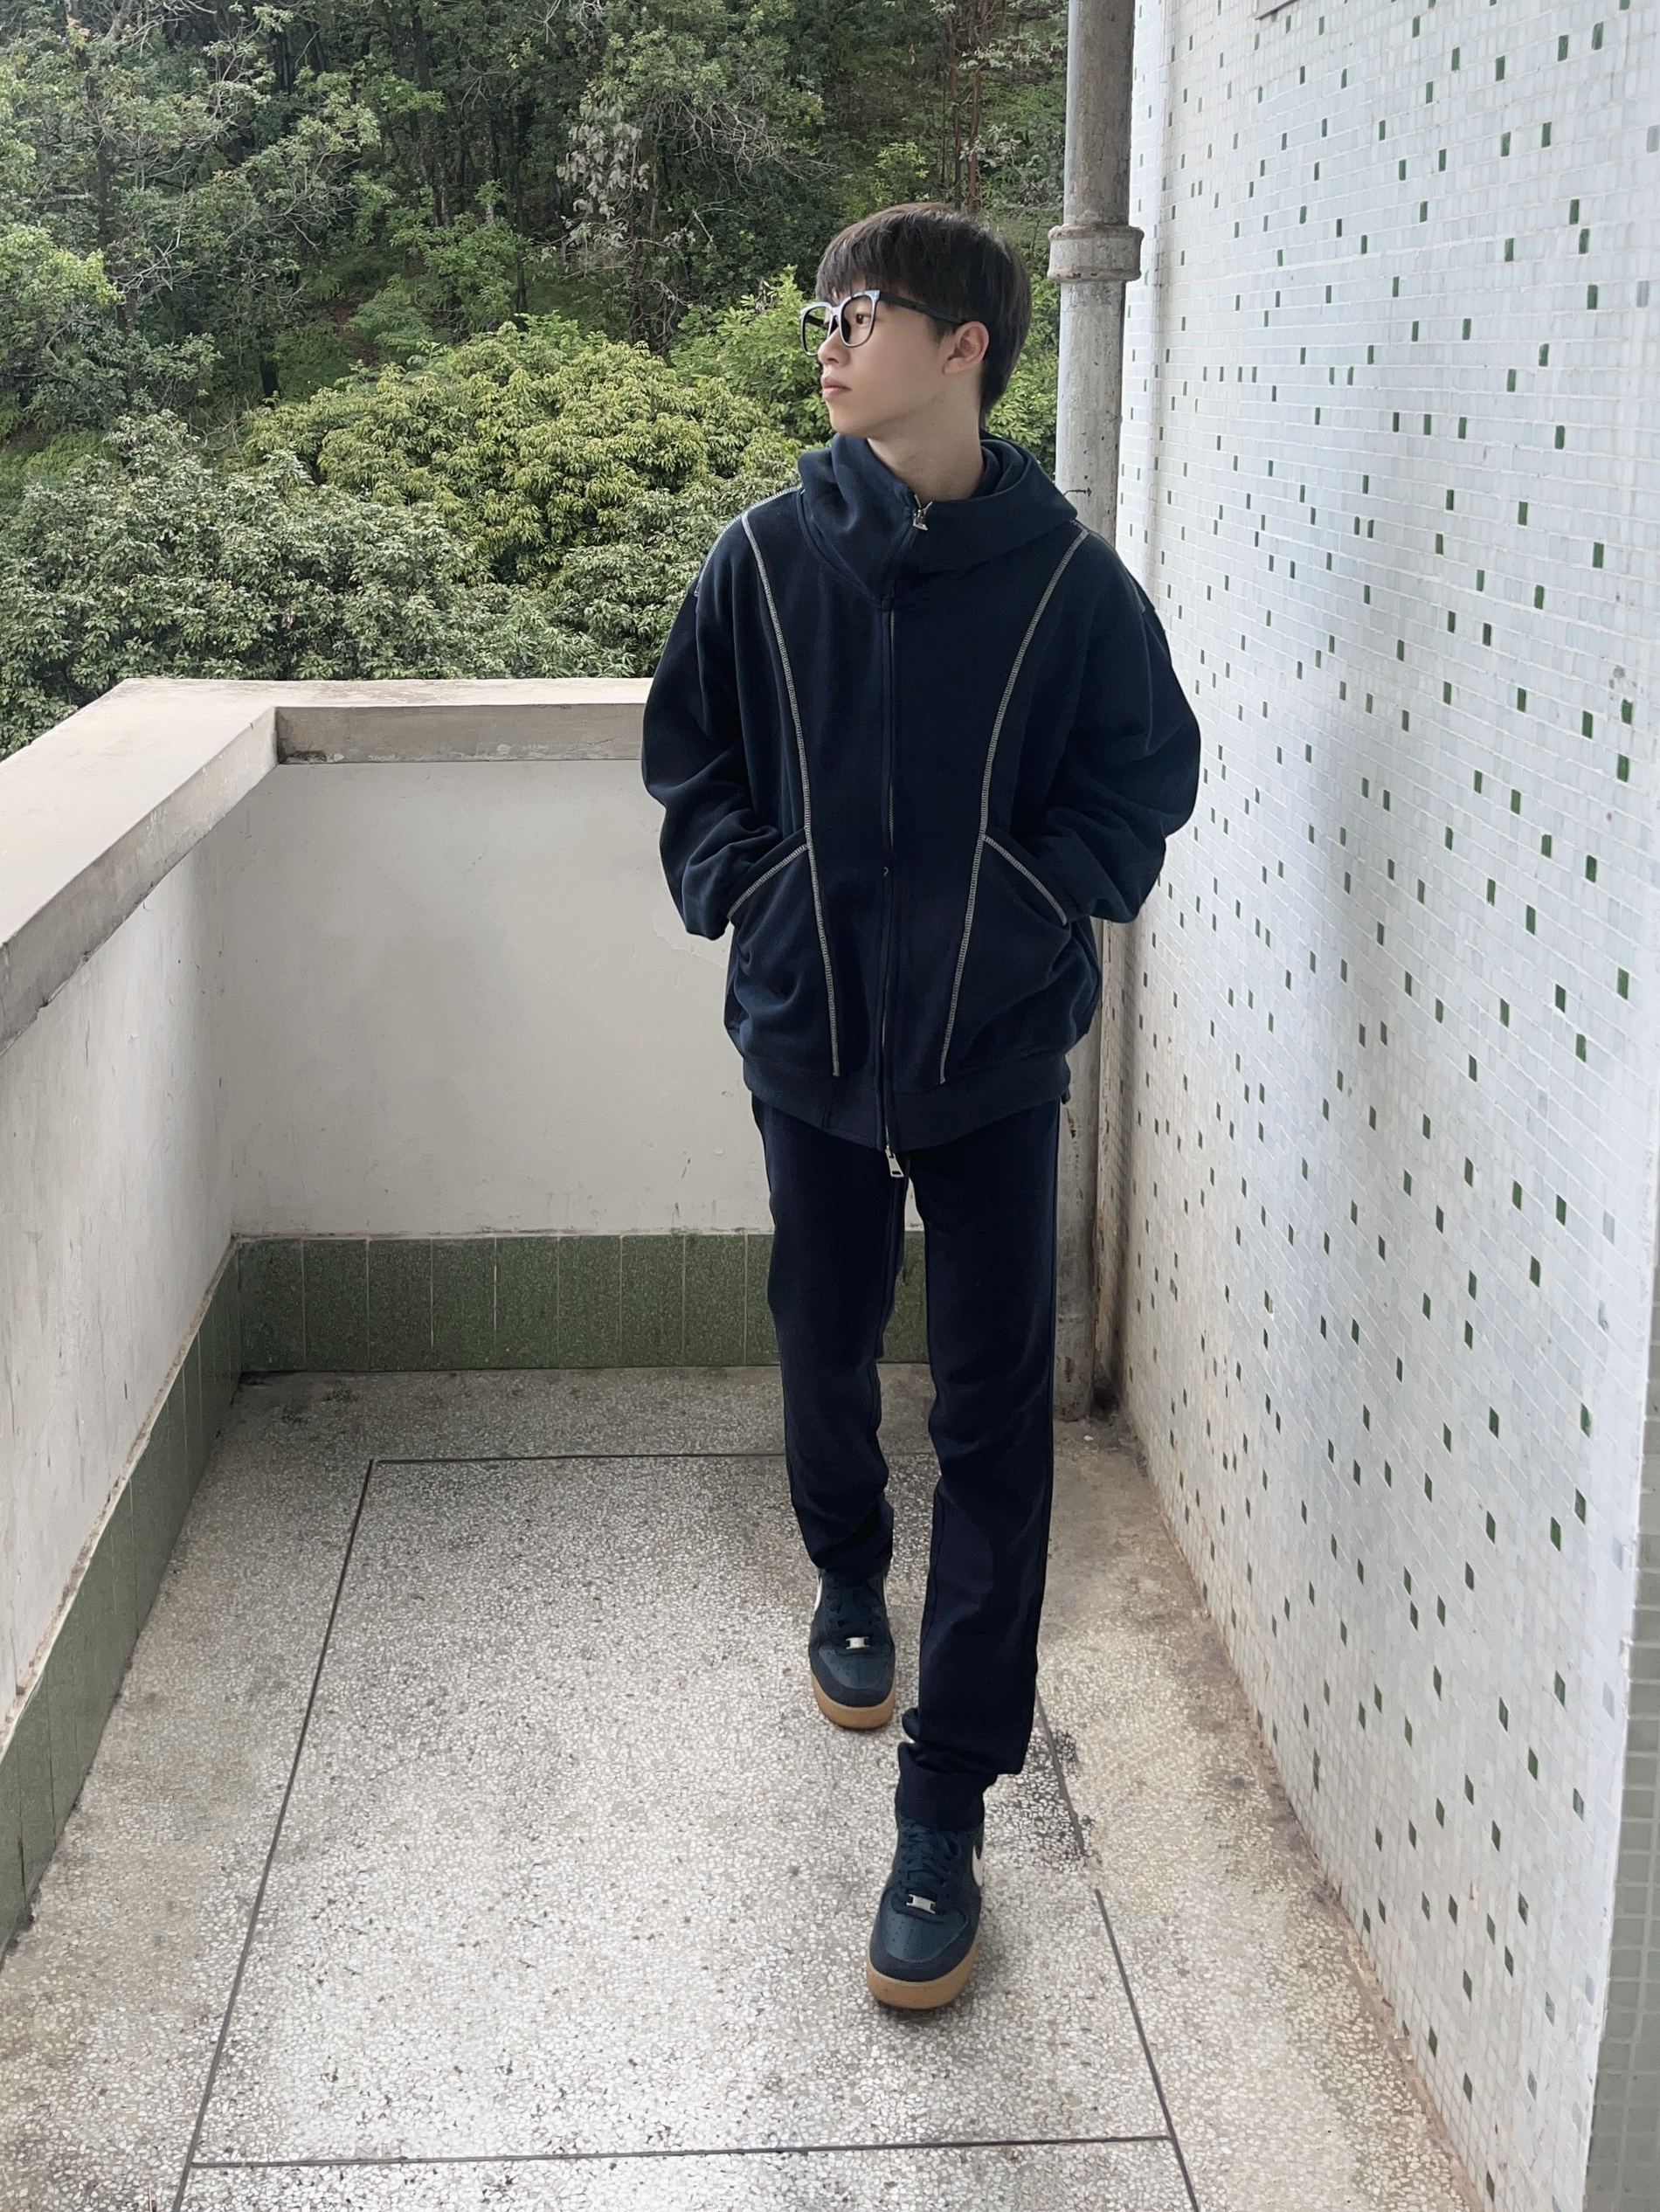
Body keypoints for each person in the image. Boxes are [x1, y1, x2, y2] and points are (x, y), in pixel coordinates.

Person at [641, 202, 1200, 2010]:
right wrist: (756, 888)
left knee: (992, 1423)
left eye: (858, 310)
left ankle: (945, 1805)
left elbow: (1140, 778)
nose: (826, 338)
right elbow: (691, 758)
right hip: (808, 1033)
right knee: (821, 1334)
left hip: (991, 1059)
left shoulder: (1067, 586)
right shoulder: (758, 558)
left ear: (961, 346)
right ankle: (844, 1571)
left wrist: (1035, 905)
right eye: (820, 310)